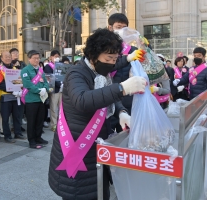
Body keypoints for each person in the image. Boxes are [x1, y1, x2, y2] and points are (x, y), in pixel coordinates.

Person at [48, 28, 146, 200]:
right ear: (93, 56)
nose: (112, 63)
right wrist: (122, 88)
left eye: (114, 59)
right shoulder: (76, 74)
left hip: (96, 145)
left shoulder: (101, 71)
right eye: (108, 59)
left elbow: (106, 94)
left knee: (99, 191)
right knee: (81, 193)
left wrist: (122, 111)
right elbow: (83, 100)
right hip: (76, 146)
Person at [0, 51, 26, 143]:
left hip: (16, 96)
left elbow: (19, 81)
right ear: (1, 58)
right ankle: (7, 136)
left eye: (9, 56)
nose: (8, 58)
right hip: (6, 97)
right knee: (5, 118)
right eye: (6, 56)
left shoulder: (14, 68)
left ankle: (17, 132)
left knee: (17, 116)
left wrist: (20, 88)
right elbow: (0, 84)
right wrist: (12, 90)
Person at [21, 50, 49, 149]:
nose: (37, 60)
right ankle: (32, 140)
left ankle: (38, 137)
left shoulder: (40, 70)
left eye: (38, 58)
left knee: (39, 120)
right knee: (32, 121)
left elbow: (45, 81)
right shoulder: (25, 70)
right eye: (35, 58)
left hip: (41, 99)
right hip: (31, 100)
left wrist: (45, 88)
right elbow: (28, 84)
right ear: (29, 59)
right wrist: (38, 90)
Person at [44, 50, 62, 131]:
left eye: (58, 56)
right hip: (54, 89)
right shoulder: (48, 67)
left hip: (62, 89)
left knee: (61, 108)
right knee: (54, 108)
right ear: (51, 57)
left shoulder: (61, 65)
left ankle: (61, 123)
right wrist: (60, 84)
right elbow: (50, 78)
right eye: (55, 56)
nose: (57, 58)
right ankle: (53, 124)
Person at [10, 48, 26, 131]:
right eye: (13, 53)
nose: (16, 54)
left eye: (17, 53)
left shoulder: (22, 63)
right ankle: (13, 126)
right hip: (12, 90)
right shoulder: (8, 64)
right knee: (13, 110)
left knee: (21, 109)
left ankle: (19, 125)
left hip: (22, 88)